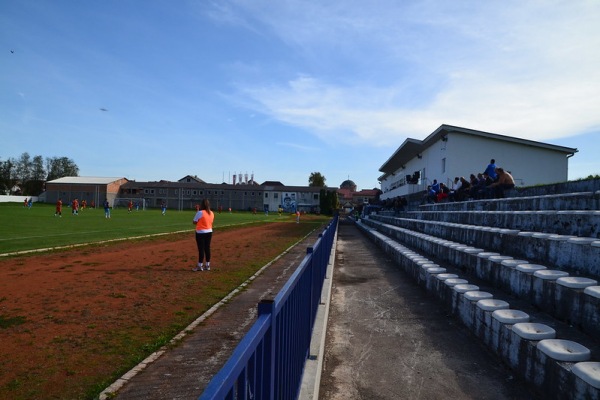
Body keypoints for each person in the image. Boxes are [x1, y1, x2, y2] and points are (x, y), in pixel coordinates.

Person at [193, 199, 214, 271]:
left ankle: (200, 265)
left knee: (201, 249)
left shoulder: (200, 212)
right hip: (209, 232)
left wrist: (197, 211)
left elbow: (194, 222)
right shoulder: (211, 213)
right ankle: (207, 265)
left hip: (201, 232)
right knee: (207, 248)